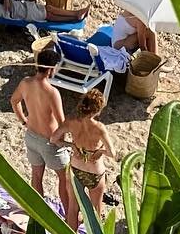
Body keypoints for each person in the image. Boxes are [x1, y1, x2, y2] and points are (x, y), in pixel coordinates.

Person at [11, 45, 76, 223]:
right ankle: (68, 219)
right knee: (64, 179)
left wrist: (23, 120)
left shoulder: (25, 83)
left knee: (36, 175)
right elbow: (61, 123)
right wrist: (68, 141)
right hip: (50, 142)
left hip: (31, 136)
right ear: (51, 69)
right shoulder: (52, 92)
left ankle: (38, 215)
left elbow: (14, 101)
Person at [53, 89, 116, 211]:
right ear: (97, 110)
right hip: (94, 170)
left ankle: (70, 230)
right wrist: (100, 151)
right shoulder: (99, 128)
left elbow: (53, 139)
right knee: (96, 210)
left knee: (73, 208)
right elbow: (112, 153)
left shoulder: (71, 122)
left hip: (76, 167)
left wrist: (71, 145)